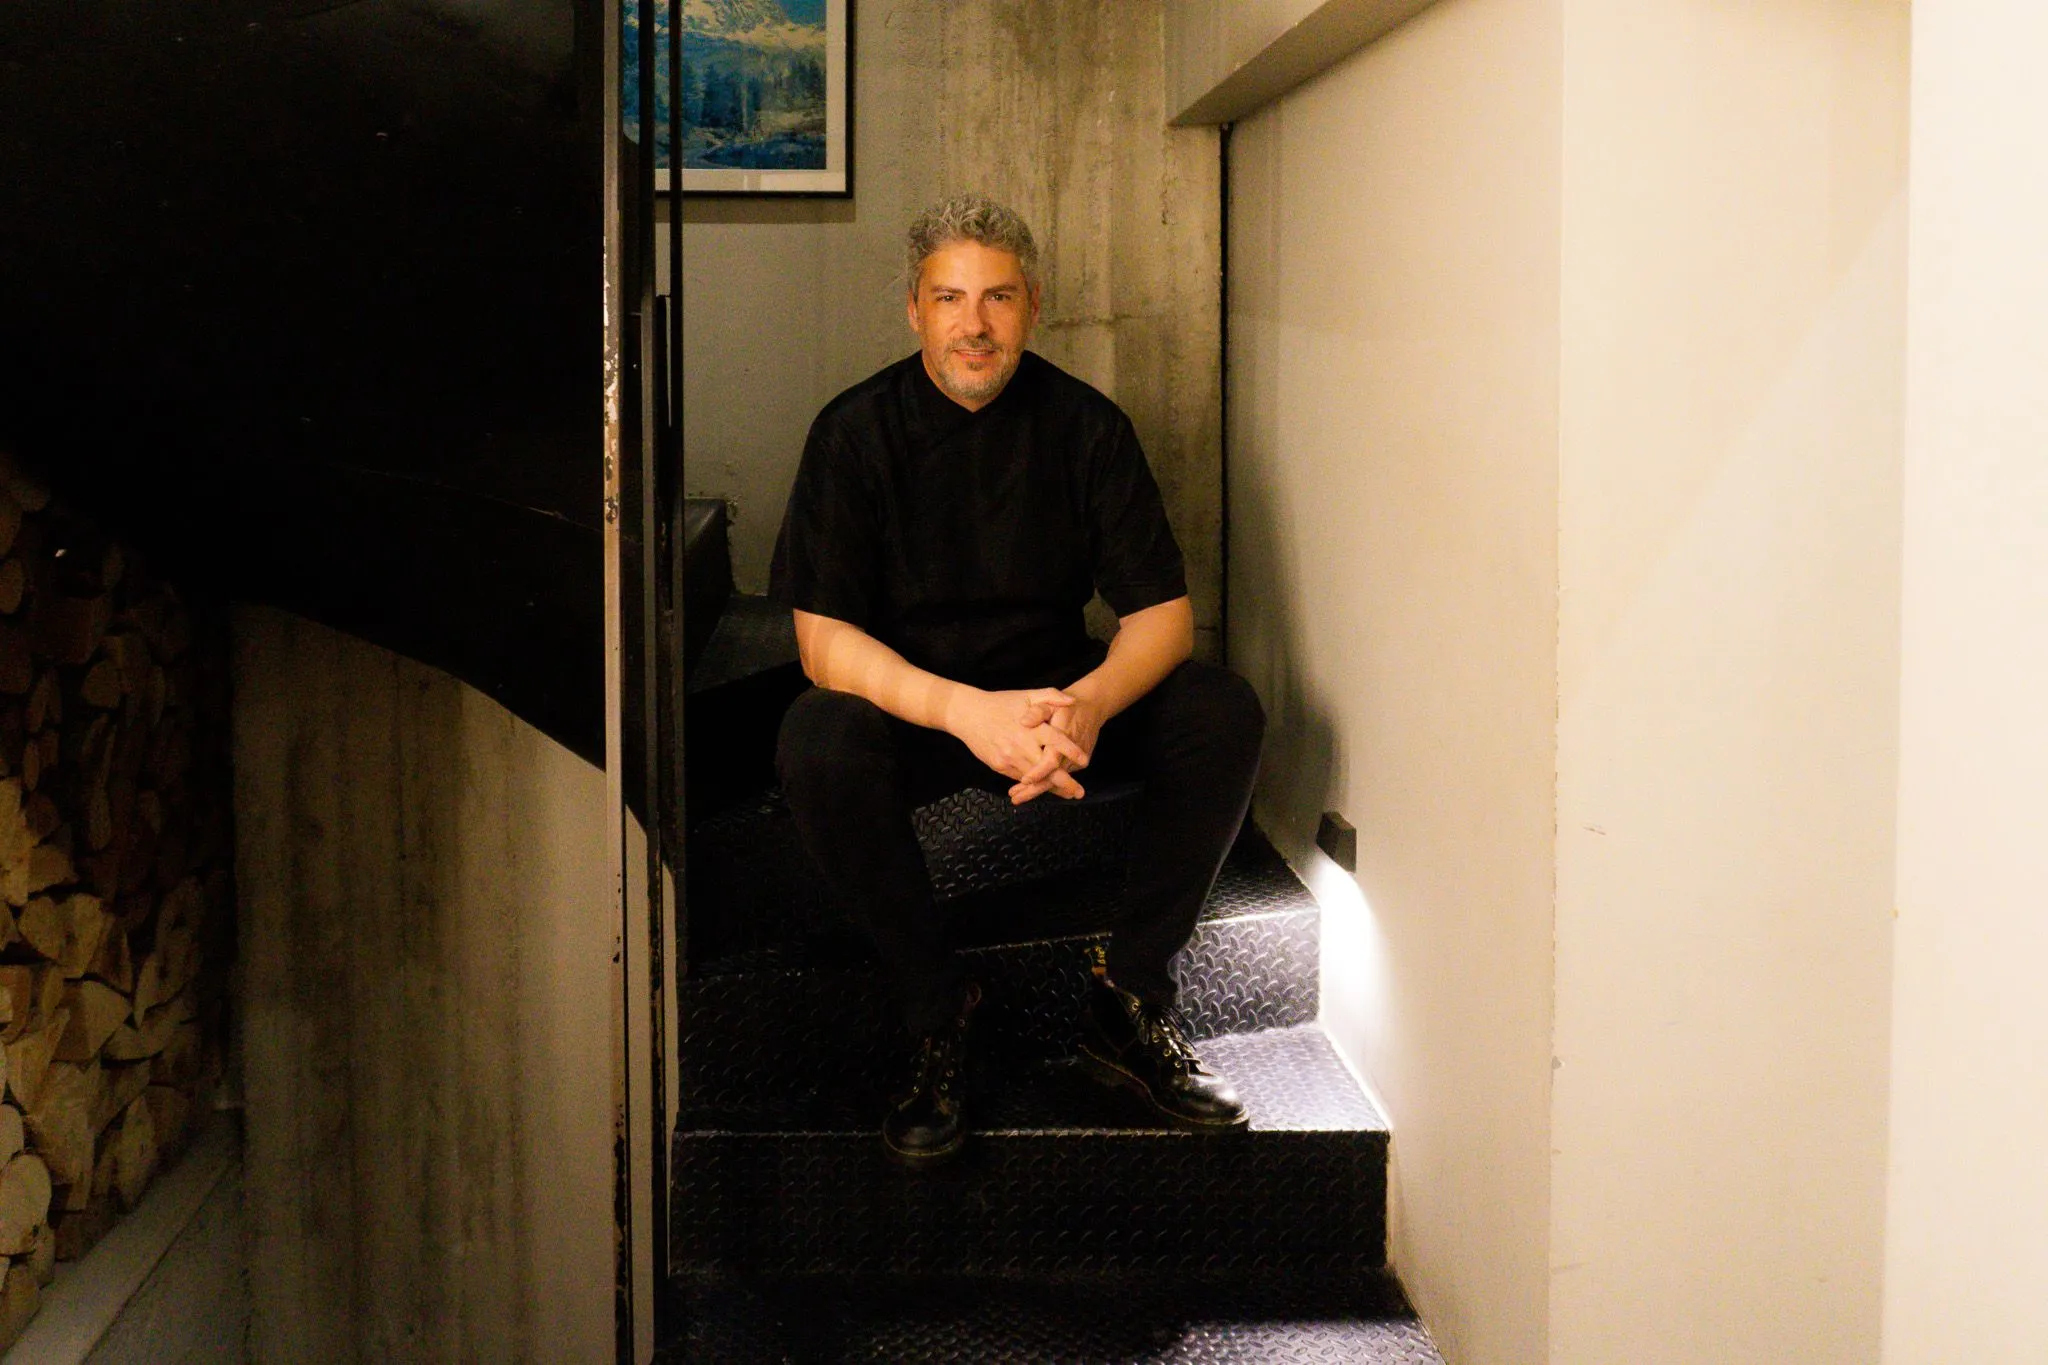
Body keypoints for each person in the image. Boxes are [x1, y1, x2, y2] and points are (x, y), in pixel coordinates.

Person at [770, 193, 1265, 1167]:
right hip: (918, 707)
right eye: (949, 298)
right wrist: (965, 714)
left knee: (1220, 710)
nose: (974, 323)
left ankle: (1128, 997)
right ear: (913, 310)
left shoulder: (1086, 426)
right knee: (815, 736)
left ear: (1032, 306)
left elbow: (1161, 617)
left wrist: (1087, 707)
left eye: (997, 297)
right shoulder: (852, 433)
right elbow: (823, 643)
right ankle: (935, 1007)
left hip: (1052, 702)